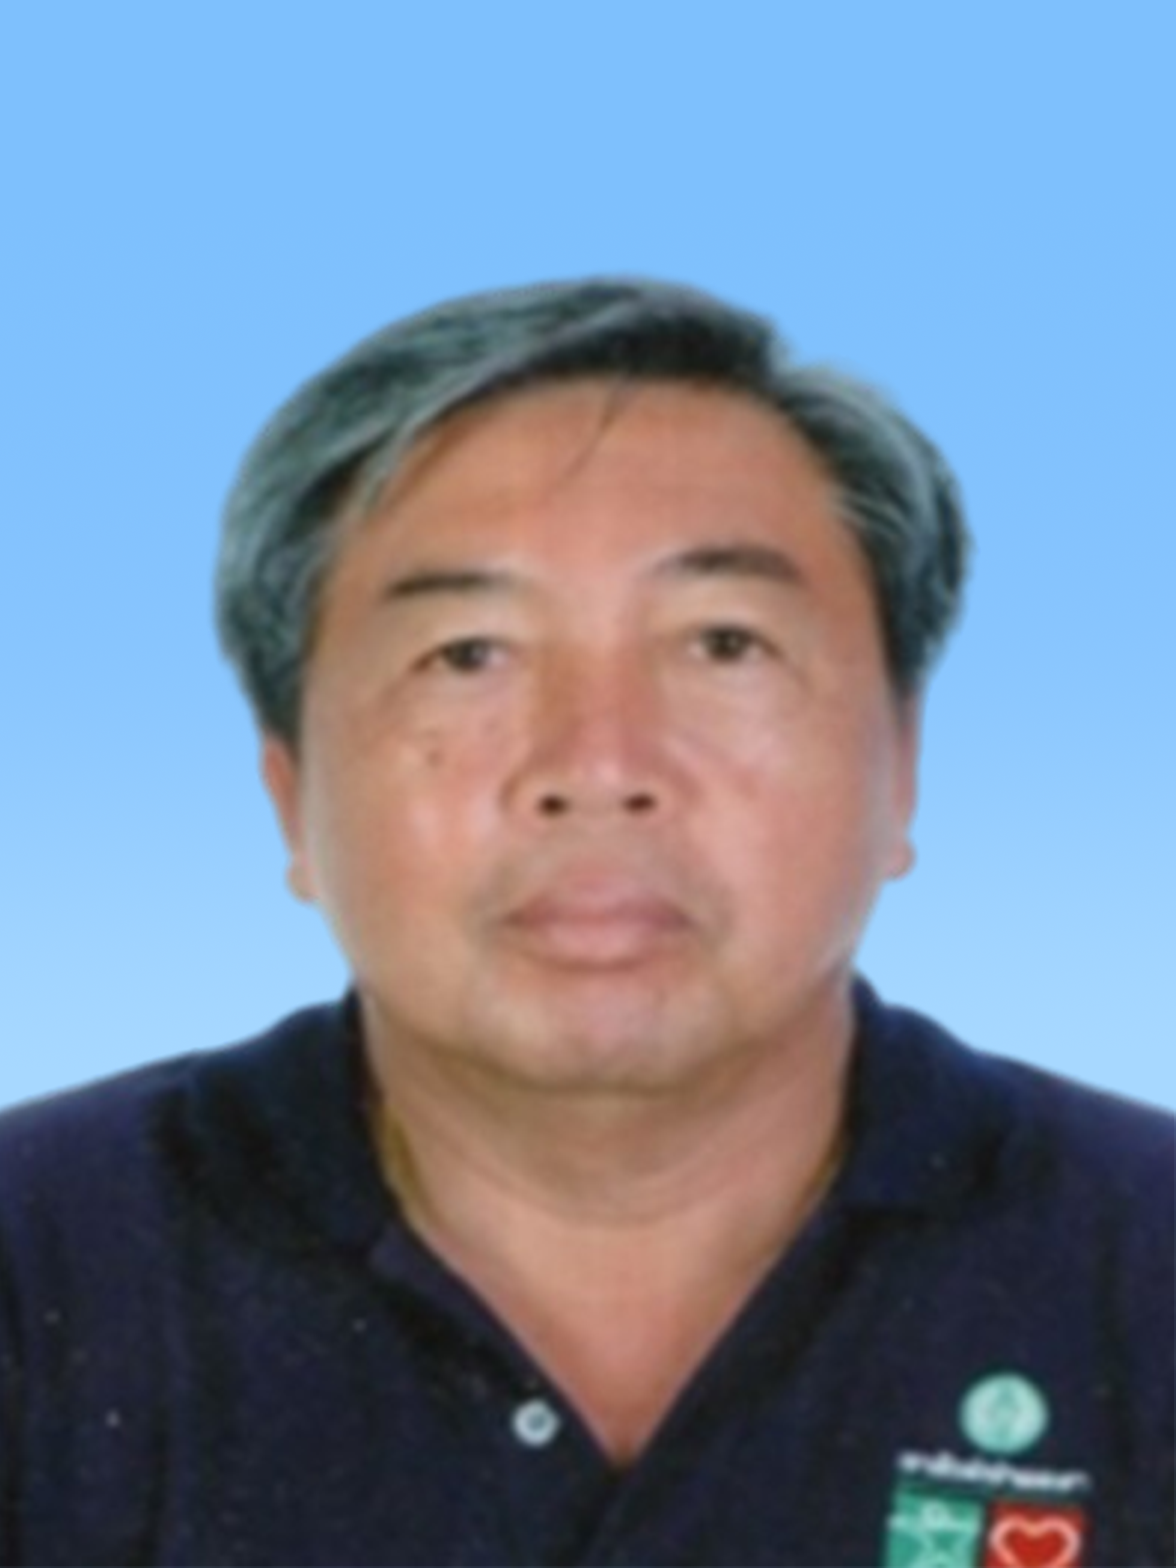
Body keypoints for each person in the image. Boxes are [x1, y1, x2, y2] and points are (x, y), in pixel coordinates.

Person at [0, 279, 1170, 1568]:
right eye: (467, 655)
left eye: (722, 645)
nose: (599, 765)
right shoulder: (37, 1264)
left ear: (901, 767)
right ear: (291, 795)